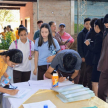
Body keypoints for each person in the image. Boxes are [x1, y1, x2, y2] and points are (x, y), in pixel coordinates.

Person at [85, 19, 103, 96]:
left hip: (97, 61)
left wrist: (88, 45)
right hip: (102, 61)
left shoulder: (98, 36)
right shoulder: (104, 34)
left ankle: (97, 99)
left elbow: (95, 50)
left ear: (97, 26)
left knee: (94, 82)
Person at [77, 18, 91, 87]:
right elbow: (79, 46)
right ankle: (80, 86)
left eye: (89, 24)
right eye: (87, 24)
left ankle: (86, 85)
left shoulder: (92, 33)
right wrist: (82, 56)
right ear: (84, 25)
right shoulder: (81, 34)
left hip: (90, 56)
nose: (88, 25)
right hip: (84, 56)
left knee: (88, 72)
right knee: (83, 72)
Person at [85, 18, 98, 90]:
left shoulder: (90, 33)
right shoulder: (92, 34)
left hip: (90, 58)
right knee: (91, 77)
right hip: (91, 58)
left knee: (90, 76)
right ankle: (91, 90)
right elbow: (86, 45)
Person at [97, 14, 108, 101]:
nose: (106, 25)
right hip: (104, 67)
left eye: (107, 23)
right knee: (100, 90)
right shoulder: (105, 33)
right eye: (105, 23)